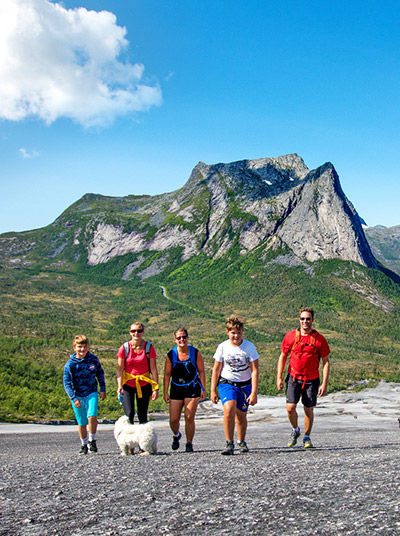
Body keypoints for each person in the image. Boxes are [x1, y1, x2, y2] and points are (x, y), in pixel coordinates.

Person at [276, 307, 330, 449]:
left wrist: (324, 383)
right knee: (290, 408)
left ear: (313, 320)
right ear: (299, 320)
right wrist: (279, 377)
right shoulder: (290, 337)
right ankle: (295, 430)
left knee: (308, 409)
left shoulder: (319, 339)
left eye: (308, 319)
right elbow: (283, 356)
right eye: (302, 319)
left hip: (312, 380)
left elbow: (326, 362)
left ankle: (307, 436)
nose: (305, 321)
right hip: (293, 378)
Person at [211, 315, 259, 455]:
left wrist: (254, 392)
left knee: (241, 415)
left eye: (238, 332)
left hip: (244, 385)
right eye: (233, 333)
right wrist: (213, 390)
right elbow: (216, 369)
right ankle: (229, 443)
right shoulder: (223, 347)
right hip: (227, 383)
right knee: (229, 410)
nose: (236, 336)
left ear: (242, 332)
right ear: (227, 332)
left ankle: (241, 441)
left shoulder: (249, 347)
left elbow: (255, 370)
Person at [163, 327, 206, 453]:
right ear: (175, 340)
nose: (182, 340)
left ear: (187, 338)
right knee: (173, 420)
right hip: (176, 389)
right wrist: (165, 392)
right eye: (179, 338)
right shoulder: (171, 355)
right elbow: (167, 375)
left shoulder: (195, 353)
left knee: (189, 417)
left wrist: (203, 388)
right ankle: (176, 435)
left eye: (184, 337)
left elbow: (202, 371)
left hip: (192, 388)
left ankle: (189, 443)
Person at [63, 334, 106, 455]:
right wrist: (73, 398)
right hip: (77, 395)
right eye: (79, 347)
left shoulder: (93, 359)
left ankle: (92, 440)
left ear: (88, 347)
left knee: (92, 416)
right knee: (82, 423)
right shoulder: (70, 364)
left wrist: (102, 388)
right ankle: (83, 444)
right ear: (74, 348)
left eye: (85, 347)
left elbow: (100, 374)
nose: (82, 350)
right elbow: (67, 383)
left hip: (91, 392)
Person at [116, 322, 159, 425]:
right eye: (133, 331)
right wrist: (119, 386)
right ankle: (130, 438)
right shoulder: (124, 348)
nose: (136, 333)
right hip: (128, 384)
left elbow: (153, 369)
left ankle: (144, 439)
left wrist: (155, 388)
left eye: (139, 331)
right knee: (129, 414)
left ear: (143, 332)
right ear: (130, 333)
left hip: (144, 384)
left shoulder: (149, 348)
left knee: (142, 415)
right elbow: (120, 369)